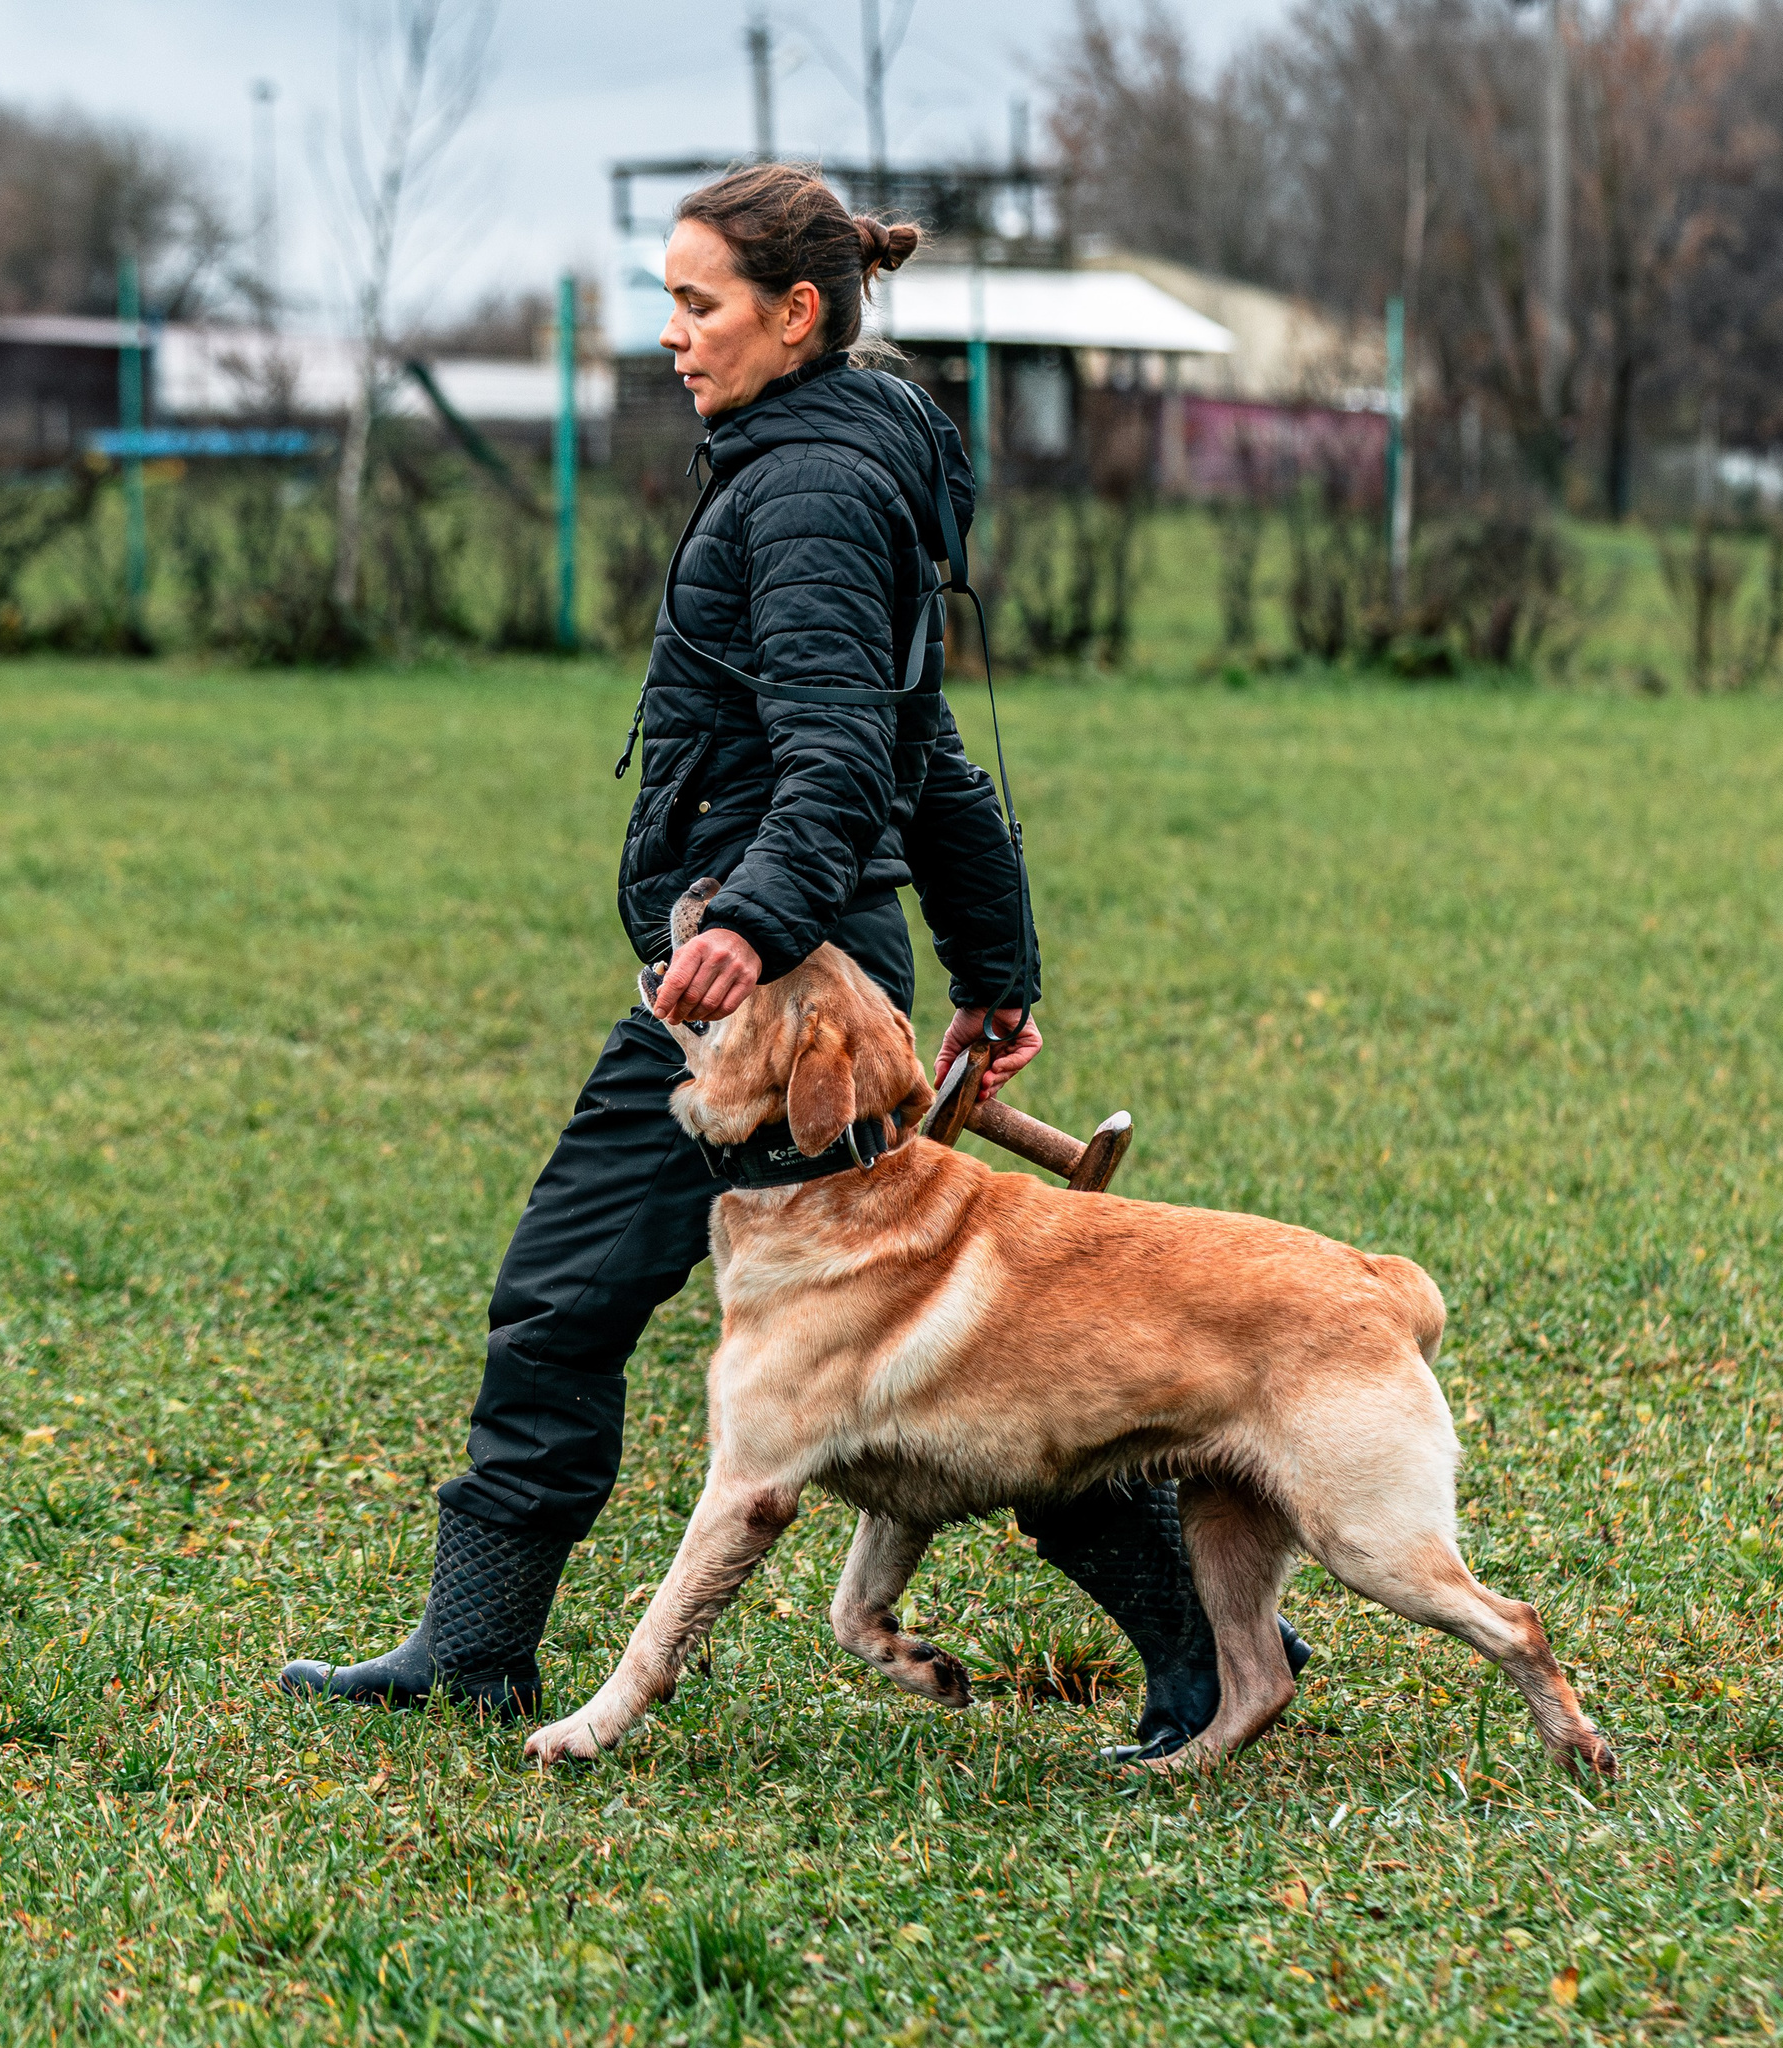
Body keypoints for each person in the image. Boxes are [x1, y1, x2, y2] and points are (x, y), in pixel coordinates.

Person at [279, 162, 1298, 1760]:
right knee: (954, 1352)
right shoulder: (835, 456)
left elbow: (841, 759)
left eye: (699, 304)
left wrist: (750, 926)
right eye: (669, 302)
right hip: (798, 955)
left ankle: (475, 1652)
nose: (672, 334)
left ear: (797, 311)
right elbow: (924, 751)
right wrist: (996, 967)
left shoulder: (811, 487)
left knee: (577, 1291)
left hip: (773, 987)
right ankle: (1208, 1645)